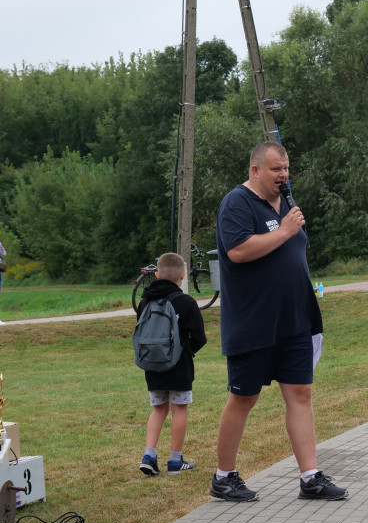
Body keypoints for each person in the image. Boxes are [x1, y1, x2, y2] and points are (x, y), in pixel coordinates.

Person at [210, 142, 347, 502]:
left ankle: (310, 476)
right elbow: (238, 251)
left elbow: (293, 249)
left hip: (295, 319)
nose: (283, 175)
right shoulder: (237, 203)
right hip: (254, 321)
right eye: (276, 169)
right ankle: (224, 477)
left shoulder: (285, 202)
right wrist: (284, 231)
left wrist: (289, 233)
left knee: (301, 393)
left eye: (286, 168)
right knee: (244, 397)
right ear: (256, 170)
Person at [137, 252, 207, 476]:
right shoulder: (186, 302)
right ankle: (175, 460)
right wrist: (185, 352)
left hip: (152, 365)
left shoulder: (145, 301)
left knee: (158, 409)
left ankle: (149, 455)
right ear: (183, 276)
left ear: (156, 275)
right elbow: (199, 338)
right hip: (179, 367)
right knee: (179, 409)